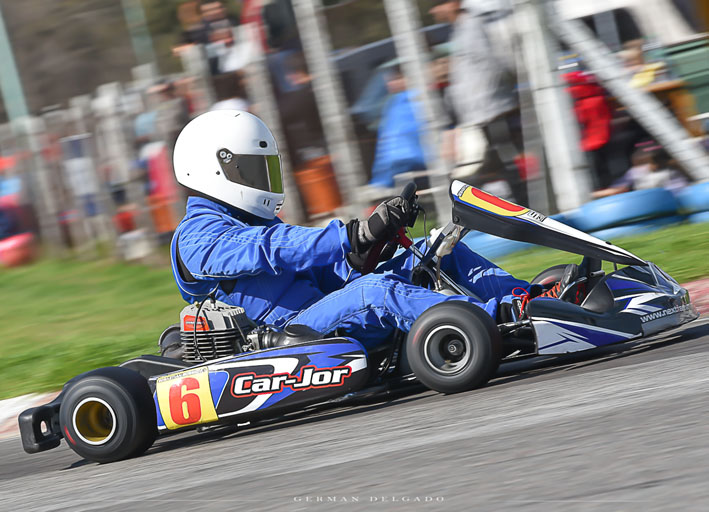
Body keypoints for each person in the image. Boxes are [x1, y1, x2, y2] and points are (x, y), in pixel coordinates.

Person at [170, 111, 578, 351]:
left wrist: (369, 248)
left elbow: (318, 273)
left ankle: (530, 297)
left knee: (437, 249)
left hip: (322, 311)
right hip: (288, 336)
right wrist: (353, 234)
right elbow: (271, 249)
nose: (261, 180)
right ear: (213, 168)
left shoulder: (253, 220)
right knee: (374, 292)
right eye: (249, 169)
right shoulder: (197, 237)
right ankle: (505, 317)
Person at [430, 0, 527, 205]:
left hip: (492, 112)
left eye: (438, 5)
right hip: (479, 116)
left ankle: (525, 207)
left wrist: (490, 97)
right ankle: (515, 207)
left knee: (504, 164)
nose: (433, 11)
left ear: (453, 4)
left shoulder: (474, 27)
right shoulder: (461, 30)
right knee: (498, 166)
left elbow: (496, 63)